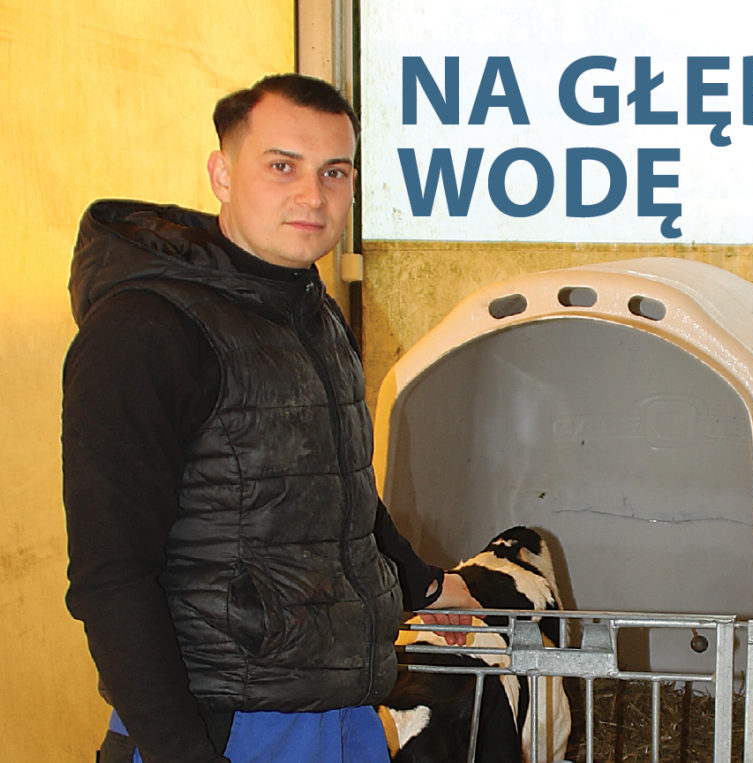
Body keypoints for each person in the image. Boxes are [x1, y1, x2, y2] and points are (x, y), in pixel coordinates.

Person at [62, 73, 478, 763]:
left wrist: (425, 583)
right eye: (282, 166)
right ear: (222, 175)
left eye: (334, 172)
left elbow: (330, 492)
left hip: (337, 707)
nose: (312, 195)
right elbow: (111, 575)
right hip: (223, 723)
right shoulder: (144, 329)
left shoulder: (310, 311)